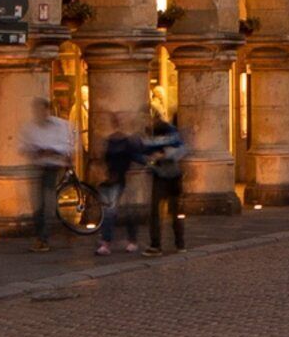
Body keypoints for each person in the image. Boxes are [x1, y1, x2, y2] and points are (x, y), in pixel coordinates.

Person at [15, 101, 81, 252]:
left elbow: (69, 144)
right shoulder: (29, 127)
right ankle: (45, 236)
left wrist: (53, 151)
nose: (39, 113)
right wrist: (34, 151)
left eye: (42, 109)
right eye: (36, 110)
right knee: (38, 204)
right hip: (37, 167)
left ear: (48, 110)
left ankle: (44, 238)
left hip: (53, 166)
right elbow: (22, 146)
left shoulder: (61, 125)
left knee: (47, 202)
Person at [91, 119, 143, 258]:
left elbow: (137, 158)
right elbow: (104, 160)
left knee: (122, 211)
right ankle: (107, 242)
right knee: (110, 211)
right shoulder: (110, 141)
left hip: (122, 180)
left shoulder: (129, 141)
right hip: (111, 180)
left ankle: (118, 241)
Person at [138, 110, 186, 254]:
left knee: (161, 212)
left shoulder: (164, 130)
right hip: (168, 175)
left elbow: (179, 149)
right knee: (171, 212)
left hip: (167, 176)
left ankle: (160, 245)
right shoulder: (159, 132)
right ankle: (178, 244)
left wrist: (162, 155)